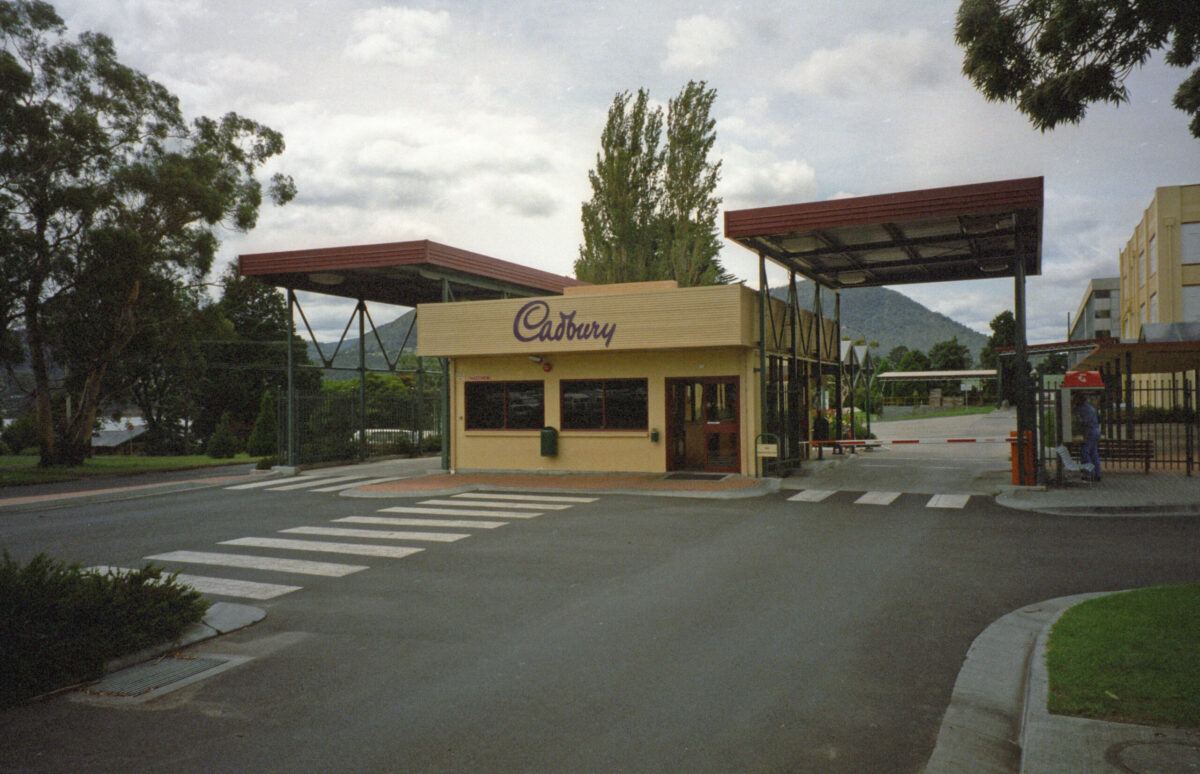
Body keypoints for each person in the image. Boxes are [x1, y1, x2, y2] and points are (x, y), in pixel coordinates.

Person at [1073, 393, 1101, 481]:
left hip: (1090, 432)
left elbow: (1086, 423)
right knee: (1093, 452)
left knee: (1085, 452)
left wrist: (1084, 436)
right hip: (1095, 431)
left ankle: (1089, 473)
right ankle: (1097, 473)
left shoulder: (1084, 409)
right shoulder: (1089, 408)